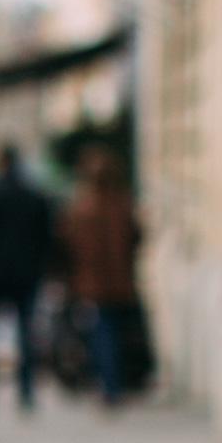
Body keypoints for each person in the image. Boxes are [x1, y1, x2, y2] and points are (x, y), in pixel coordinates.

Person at [57, 143, 146, 406]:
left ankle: (110, 385)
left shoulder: (81, 208)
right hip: (120, 282)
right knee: (117, 332)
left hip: (93, 284)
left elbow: (66, 245)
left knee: (102, 334)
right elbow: (136, 237)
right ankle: (117, 382)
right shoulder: (122, 204)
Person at [0, 142, 54, 408]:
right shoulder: (34, 195)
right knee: (25, 331)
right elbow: (45, 237)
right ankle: (26, 390)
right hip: (25, 272)